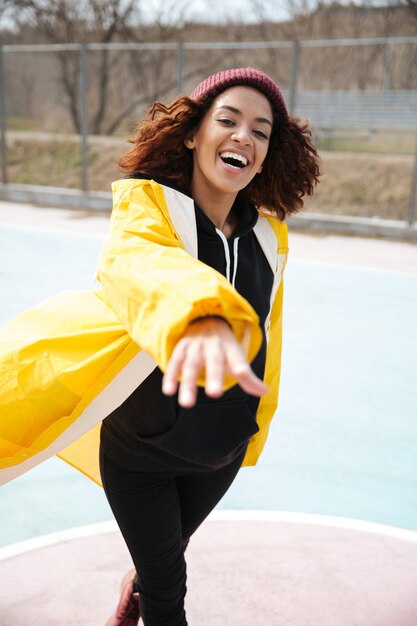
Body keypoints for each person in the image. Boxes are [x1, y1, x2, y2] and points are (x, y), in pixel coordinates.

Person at [0, 67, 320, 625]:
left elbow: (270, 333)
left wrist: (254, 426)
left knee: (158, 569)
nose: (244, 135)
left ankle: (145, 578)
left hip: (217, 454)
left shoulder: (270, 238)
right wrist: (204, 318)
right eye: (228, 119)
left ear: (268, 155)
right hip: (140, 454)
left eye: (261, 131)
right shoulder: (148, 209)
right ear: (194, 133)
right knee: (171, 597)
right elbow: (142, 268)